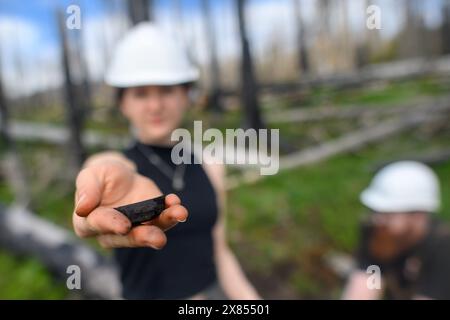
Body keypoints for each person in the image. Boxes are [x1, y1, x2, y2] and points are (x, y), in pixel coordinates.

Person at [72, 22, 260, 300]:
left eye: (167, 90)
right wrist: (88, 198)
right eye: (141, 93)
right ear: (123, 103)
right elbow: (99, 175)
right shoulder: (118, 168)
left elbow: (219, 250)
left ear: (186, 95)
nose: (155, 105)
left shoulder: (211, 165)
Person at [342, 161, 450, 300]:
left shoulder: (443, 247)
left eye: (387, 214)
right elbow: (368, 284)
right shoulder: (378, 236)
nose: (378, 220)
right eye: (375, 211)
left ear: (417, 215)